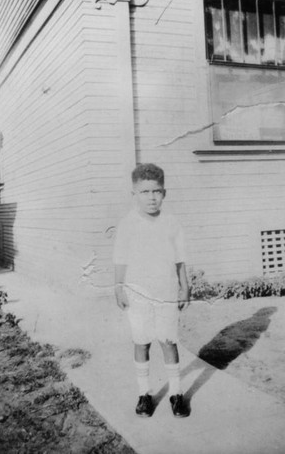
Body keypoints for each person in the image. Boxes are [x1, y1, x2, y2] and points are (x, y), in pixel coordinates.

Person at [113, 163, 190, 418]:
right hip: (138, 293)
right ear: (133, 194)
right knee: (141, 341)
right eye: (144, 192)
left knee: (168, 341)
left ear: (164, 193)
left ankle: (176, 393)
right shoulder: (127, 225)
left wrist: (184, 286)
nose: (151, 197)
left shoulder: (172, 223)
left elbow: (180, 260)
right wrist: (119, 287)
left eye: (156, 191)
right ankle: (144, 393)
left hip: (166, 291)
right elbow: (120, 259)